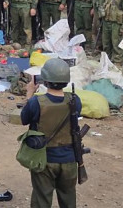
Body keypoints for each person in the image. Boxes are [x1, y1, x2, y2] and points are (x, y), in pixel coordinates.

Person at [21, 58, 82, 208]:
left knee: (42, 199)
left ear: (45, 81)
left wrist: (29, 94)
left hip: (44, 160)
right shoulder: (75, 100)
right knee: (68, 199)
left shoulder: (36, 102)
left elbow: (24, 119)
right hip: (69, 159)